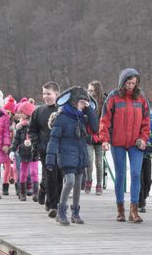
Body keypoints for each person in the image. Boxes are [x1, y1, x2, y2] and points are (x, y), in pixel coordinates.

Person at [99, 68, 150, 223]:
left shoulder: (141, 97)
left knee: (135, 174)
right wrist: (105, 140)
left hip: (136, 143)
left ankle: (134, 211)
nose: (130, 86)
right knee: (120, 175)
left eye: (133, 83)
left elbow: (146, 122)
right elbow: (105, 121)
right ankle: (120, 210)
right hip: (117, 142)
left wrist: (144, 138)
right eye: (128, 83)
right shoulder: (113, 97)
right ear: (122, 82)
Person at [46, 86, 99, 225]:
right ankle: (61, 211)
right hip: (66, 155)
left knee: (77, 185)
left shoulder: (83, 117)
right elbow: (54, 140)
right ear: (74, 102)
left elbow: (95, 128)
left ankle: (75, 212)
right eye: (82, 102)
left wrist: (90, 110)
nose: (84, 105)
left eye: (86, 103)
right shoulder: (61, 118)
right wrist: (50, 159)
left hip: (80, 155)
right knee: (69, 181)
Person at [29, 81, 62, 216]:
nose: (46, 96)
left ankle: (55, 200)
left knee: (60, 177)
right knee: (50, 176)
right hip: (45, 150)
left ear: (57, 94)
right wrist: (37, 144)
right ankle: (52, 204)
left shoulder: (63, 110)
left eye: (49, 94)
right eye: (44, 94)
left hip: (61, 150)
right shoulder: (38, 111)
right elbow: (32, 130)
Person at [10, 101, 39, 202]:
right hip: (23, 153)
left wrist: (34, 143)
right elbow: (16, 139)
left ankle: (36, 193)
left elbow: (38, 138)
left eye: (21, 112)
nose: (19, 114)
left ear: (27, 113)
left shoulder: (35, 126)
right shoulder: (20, 126)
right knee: (23, 173)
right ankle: (22, 193)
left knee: (34, 172)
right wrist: (12, 150)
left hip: (34, 153)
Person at [85, 80, 105, 195]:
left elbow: (106, 121)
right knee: (89, 160)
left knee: (99, 162)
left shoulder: (103, 103)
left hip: (100, 136)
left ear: (97, 91)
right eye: (88, 90)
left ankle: (99, 184)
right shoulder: (86, 102)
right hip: (88, 136)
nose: (89, 92)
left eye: (91, 90)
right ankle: (89, 181)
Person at [138, 108, 152, 213]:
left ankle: (144, 196)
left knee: (147, 179)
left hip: (148, 154)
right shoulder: (134, 116)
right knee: (139, 178)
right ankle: (141, 203)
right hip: (136, 152)